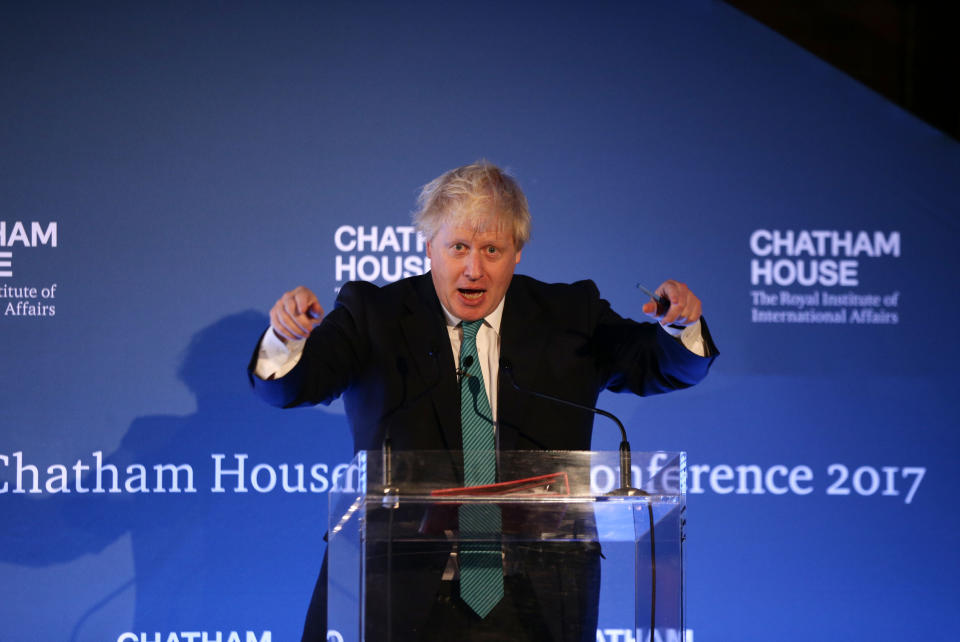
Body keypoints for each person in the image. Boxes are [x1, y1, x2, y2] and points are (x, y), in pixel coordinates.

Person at [249, 161, 717, 641]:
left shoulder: (569, 315)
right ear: (429, 247)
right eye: (459, 248)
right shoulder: (375, 316)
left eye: (492, 249)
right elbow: (294, 385)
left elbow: (660, 365)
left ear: (517, 252)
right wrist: (287, 340)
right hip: (393, 592)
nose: (474, 268)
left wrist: (679, 327)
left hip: (536, 600)